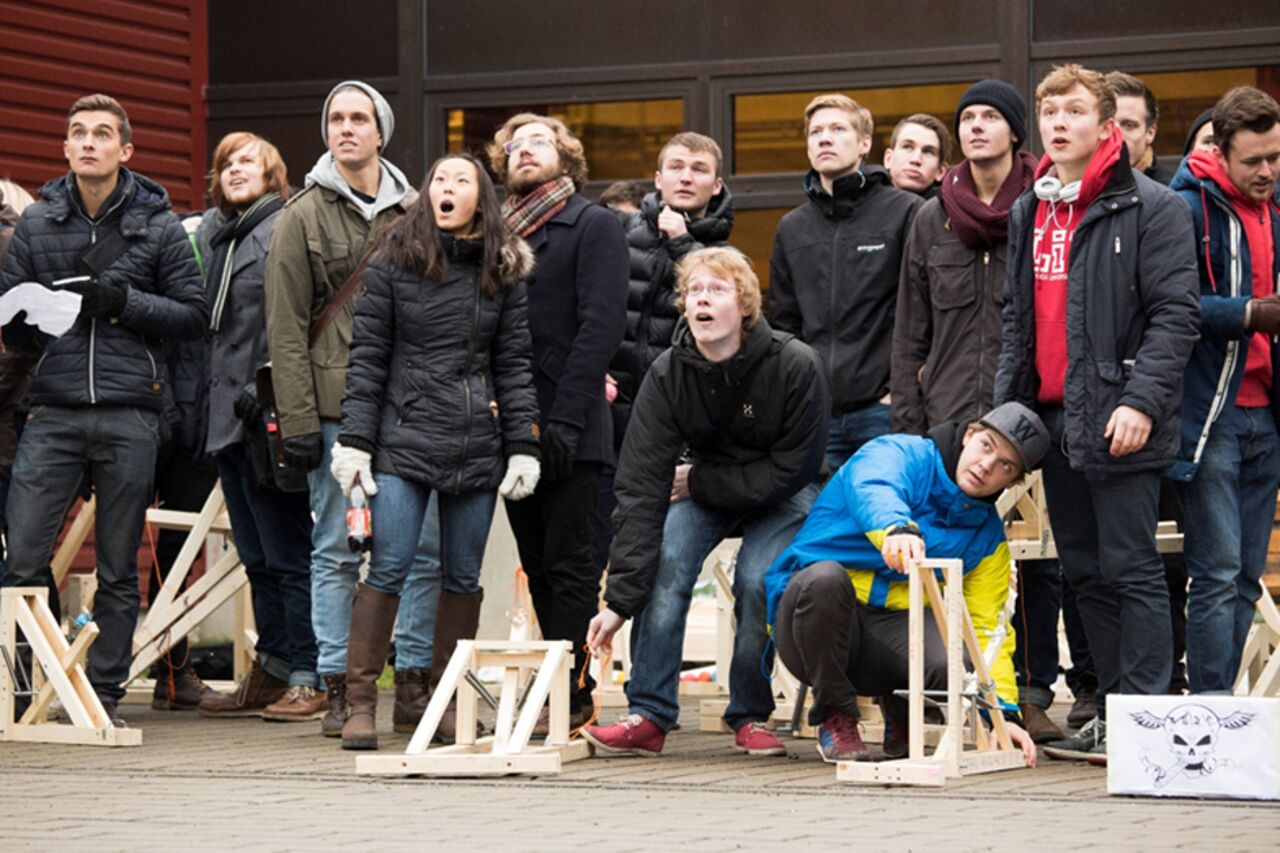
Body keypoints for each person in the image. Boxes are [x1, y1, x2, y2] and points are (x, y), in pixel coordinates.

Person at [994, 64, 1200, 763]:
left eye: (1074, 111)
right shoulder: (1032, 208)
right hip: (1052, 420)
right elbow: (1017, 318)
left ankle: (1145, 719)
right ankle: (1113, 714)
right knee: (1083, 569)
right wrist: (1006, 414)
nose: (1057, 122)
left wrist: (1142, 401)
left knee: (1131, 566)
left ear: (1107, 127)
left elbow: (1177, 317)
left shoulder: (1154, 206)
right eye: (1049, 110)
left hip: (1123, 418)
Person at [0, 93, 207, 723]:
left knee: (119, 567)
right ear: (64, 148)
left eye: (101, 134)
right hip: (53, 410)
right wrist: (26, 320)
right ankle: (24, 691)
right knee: (23, 563)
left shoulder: (160, 224)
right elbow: (9, 314)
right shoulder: (37, 223)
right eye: (77, 133)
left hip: (130, 412)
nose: (88, 142)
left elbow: (194, 316)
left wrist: (120, 302)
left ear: (125, 150)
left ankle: (102, 697)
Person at [329, 152, 541, 750]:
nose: (447, 190)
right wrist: (354, 444)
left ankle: (450, 705)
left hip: (477, 446)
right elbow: (367, 360)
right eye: (439, 181)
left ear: (482, 199)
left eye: (461, 182)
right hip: (403, 439)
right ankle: (362, 704)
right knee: (389, 567)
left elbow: (514, 365)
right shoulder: (393, 262)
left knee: (463, 577)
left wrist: (523, 445)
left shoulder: (502, 271)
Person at [582, 246, 827, 757]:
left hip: (781, 489)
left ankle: (751, 714)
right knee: (667, 562)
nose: (703, 299)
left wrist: (701, 482)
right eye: (694, 290)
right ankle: (648, 713)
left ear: (743, 304)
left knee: (757, 580)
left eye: (716, 289)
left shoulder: (795, 364)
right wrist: (619, 602)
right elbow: (641, 486)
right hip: (708, 486)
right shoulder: (669, 374)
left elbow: (793, 469)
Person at [888, 80, 1065, 743]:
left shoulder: (1044, 204)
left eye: (991, 117)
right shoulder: (930, 217)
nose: (977, 128)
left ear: (1017, 131)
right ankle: (942, 687)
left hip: (1028, 413)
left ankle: (1031, 691)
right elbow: (910, 329)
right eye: (967, 119)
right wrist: (907, 422)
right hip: (950, 415)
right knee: (946, 557)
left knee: (1037, 561)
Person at [264, 80, 441, 737]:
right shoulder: (300, 215)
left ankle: (416, 681)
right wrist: (301, 423)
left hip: (413, 408)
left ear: (381, 131)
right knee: (337, 547)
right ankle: (340, 685)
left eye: (359, 118)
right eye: (336, 118)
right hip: (335, 408)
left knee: (422, 549)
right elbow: (284, 329)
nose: (345, 128)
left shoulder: (421, 212)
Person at [763, 402, 1044, 765]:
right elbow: (874, 485)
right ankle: (836, 715)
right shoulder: (900, 451)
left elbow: (987, 632)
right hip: (811, 625)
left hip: (889, 633)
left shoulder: (988, 540)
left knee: (957, 659)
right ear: (970, 435)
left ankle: (899, 702)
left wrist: (1002, 717)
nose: (986, 466)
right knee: (825, 578)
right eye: (987, 446)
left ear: (1013, 482)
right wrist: (897, 528)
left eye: (1006, 465)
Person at [487, 113, 628, 727]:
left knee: (573, 567)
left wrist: (566, 421)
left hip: (571, 425)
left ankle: (569, 691)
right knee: (538, 562)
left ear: (566, 158)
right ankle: (557, 679)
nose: (524, 150)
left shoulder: (593, 225)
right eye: (514, 145)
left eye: (538, 141)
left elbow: (600, 328)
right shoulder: (492, 235)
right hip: (510, 424)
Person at [189, 132, 327, 721]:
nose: (234, 170)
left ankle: (309, 672)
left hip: (267, 412)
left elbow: (299, 317)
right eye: (225, 164)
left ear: (274, 175)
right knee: (256, 555)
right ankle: (272, 665)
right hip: (224, 421)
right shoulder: (217, 238)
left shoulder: (282, 228)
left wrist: (262, 387)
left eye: (247, 161)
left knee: (289, 551)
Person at [1169, 86, 1280, 694]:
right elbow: (1175, 307)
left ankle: (1223, 707)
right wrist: (1251, 313)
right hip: (1210, 416)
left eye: (1275, 157)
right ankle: (1209, 709)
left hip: (1267, 415)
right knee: (1215, 573)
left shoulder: (1277, 205)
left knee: (1244, 577)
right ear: (1219, 152)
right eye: (1253, 161)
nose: (1266, 171)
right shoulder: (1184, 207)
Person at [599, 133, 735, 572]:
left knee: (657, 561)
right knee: (596, 553)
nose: (685, 177)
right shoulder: (618, 233)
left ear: (716, 185)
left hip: (669, 427)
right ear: (657, 179)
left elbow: (717, 321)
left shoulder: (723, 256)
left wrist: (681, 245)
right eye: (676, 167)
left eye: (698, 169)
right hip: (608, 414)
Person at [769, 94, 922, 470]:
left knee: (887, 524)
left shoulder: (905, 212)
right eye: (816, 132)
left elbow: (926, 311)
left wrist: (901, 391)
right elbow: (784, 325)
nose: (825, 139)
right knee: (823, 525)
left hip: (884, 413)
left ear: (865, 143)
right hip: (817, 418)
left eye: (838, 129)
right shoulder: (792, 228)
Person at [0, 183, 35, 581]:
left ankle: (27, 643)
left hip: (11, 430)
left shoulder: (10, 245)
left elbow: (19, 344)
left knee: (23, 559)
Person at [1108, 72, 1174, 185]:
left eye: (1129, 125)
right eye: (1107, 125)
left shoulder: (1170, 193)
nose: (1116, 135)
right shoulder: (1074, 185)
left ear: (1150, 133)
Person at [883, 113, 951, 199]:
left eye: (928, 152)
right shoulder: (863, 202)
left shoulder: (952, 210)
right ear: (888, 159)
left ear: (940, 171)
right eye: (907, 147)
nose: (916, 159)